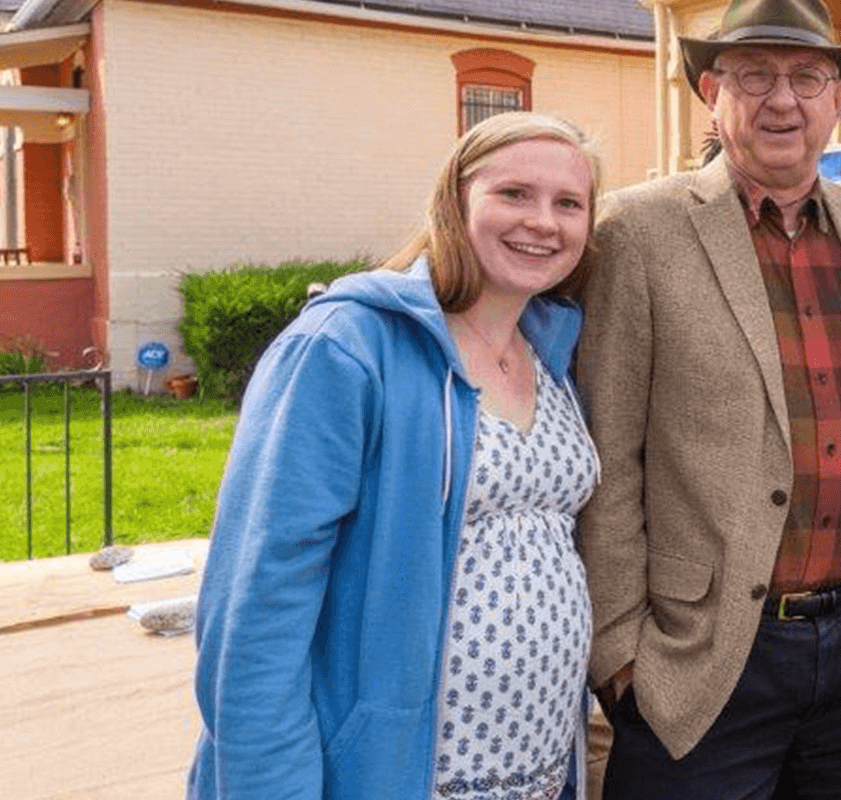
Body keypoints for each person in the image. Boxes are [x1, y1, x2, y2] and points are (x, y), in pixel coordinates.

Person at [576, 0, 841, 798]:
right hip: (701, 656)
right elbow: (607, 453)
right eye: (754, 74)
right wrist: (621, 657)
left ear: (838, 97)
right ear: (711, 91)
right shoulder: (638, 231)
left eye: (806, 78)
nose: (782, 101)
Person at [189, 112, 603, 799]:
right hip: (389, 778)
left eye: (569, 203)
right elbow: (255, 608)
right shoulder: (343, 347)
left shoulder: (551, 354)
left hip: (539, 774)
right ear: (454, 201)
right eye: (514, 194)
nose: (543, 221)